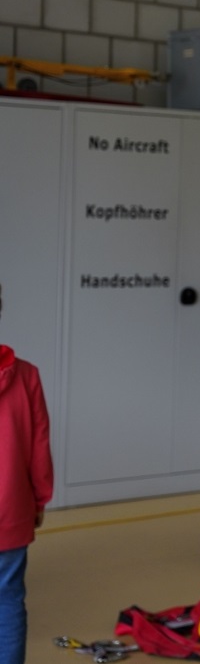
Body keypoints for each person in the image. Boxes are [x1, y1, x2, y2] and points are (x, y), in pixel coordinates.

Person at [0, 283, 55, 664]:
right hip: (11, 511)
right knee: (8, 602)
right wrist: (40, 498)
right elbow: (39, 444)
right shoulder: (26, 375)